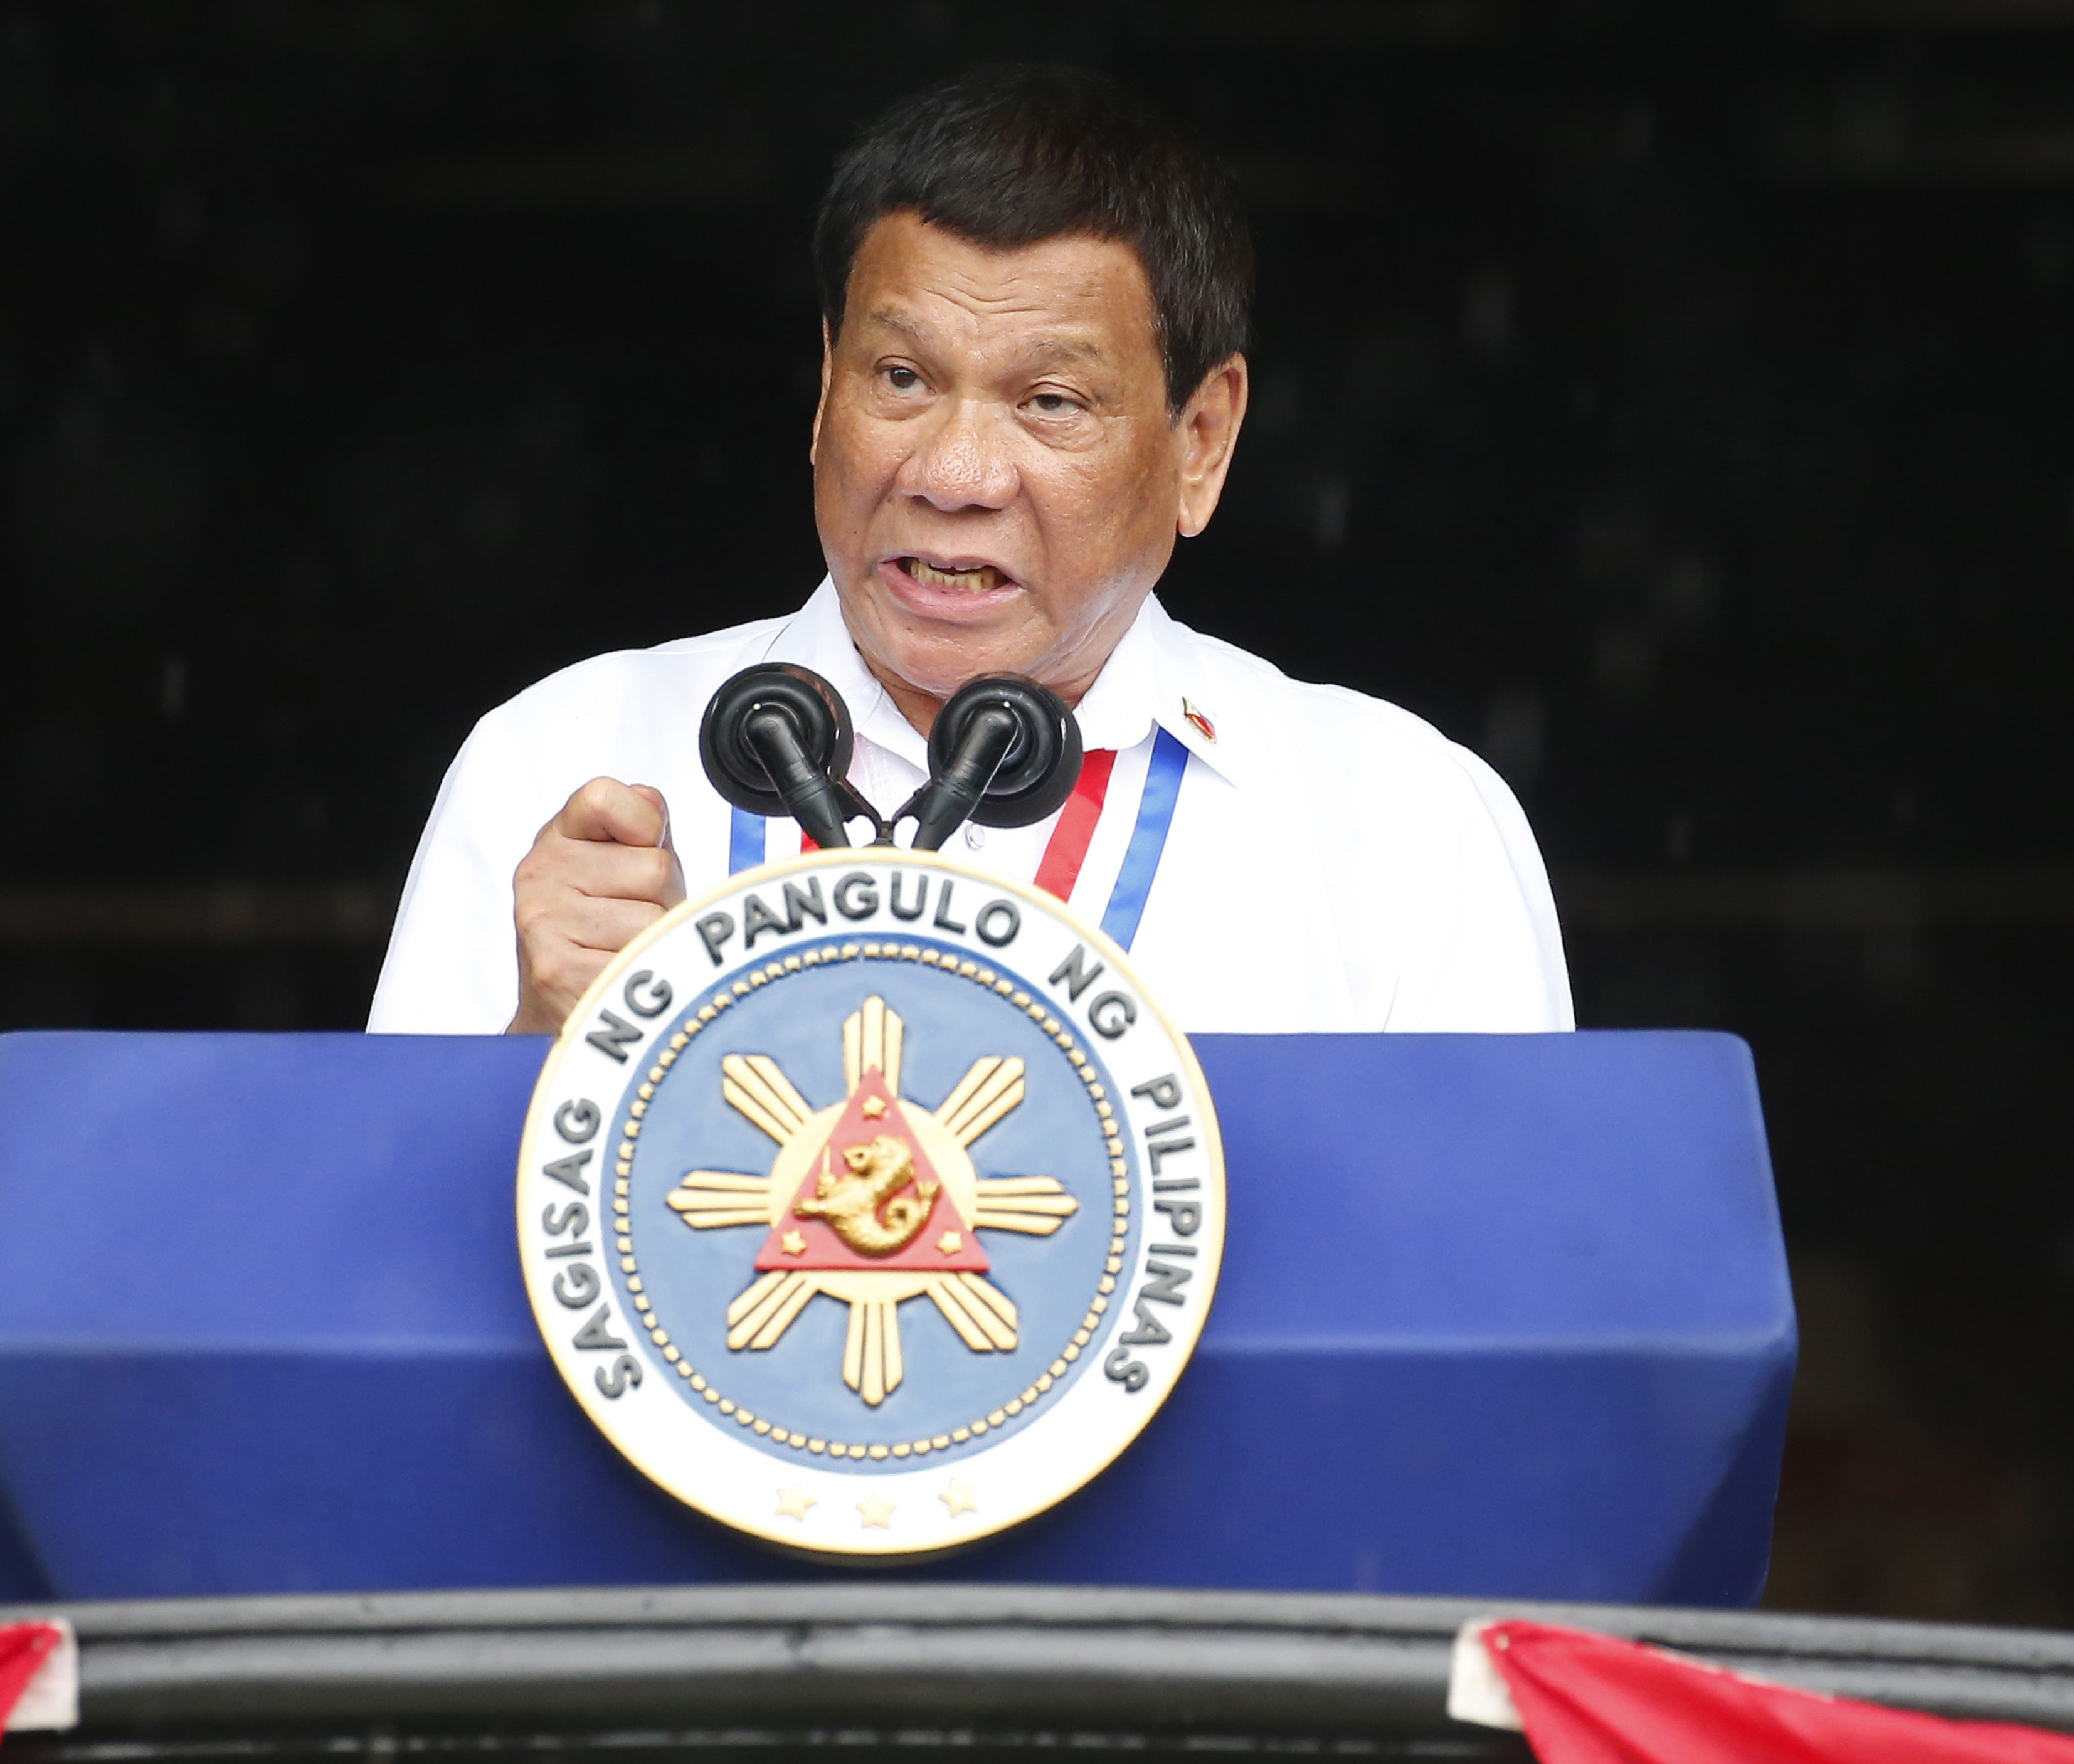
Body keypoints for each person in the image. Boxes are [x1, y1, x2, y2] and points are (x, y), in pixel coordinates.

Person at [368, 66, 1570, 1038]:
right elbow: (382, 1248)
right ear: (826, 387)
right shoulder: (569, 765)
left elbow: (1512, 1259)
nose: (953, 475)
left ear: (1200, 441)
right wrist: (539, 1056)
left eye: (1049, 402)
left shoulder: (1401, 827)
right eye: (902, 378)